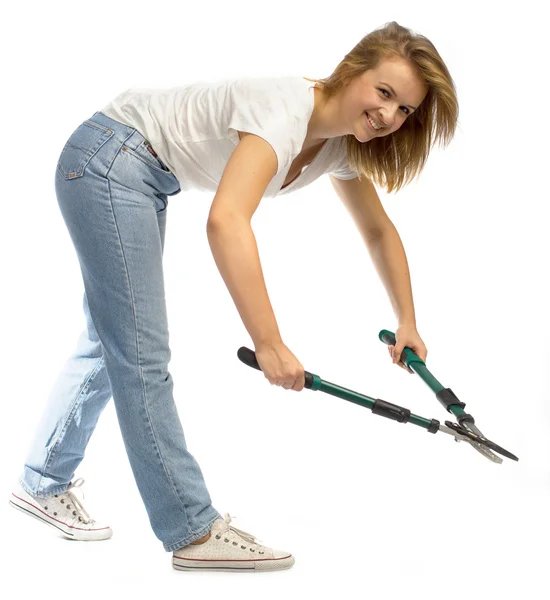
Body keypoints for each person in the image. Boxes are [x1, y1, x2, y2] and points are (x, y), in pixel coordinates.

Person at [8, 21, 458, 573]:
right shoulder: (285, 111)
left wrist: (407, 319)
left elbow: (378, 231)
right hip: (109, 159)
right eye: (384, 92)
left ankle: (42, 480)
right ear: (353, 70)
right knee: (142, 353)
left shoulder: (339, 146)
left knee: (115, 338)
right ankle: (191, 529)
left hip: (135, 172)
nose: (389, 115)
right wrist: (268, 343)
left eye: (405, 110)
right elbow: (226, 221)